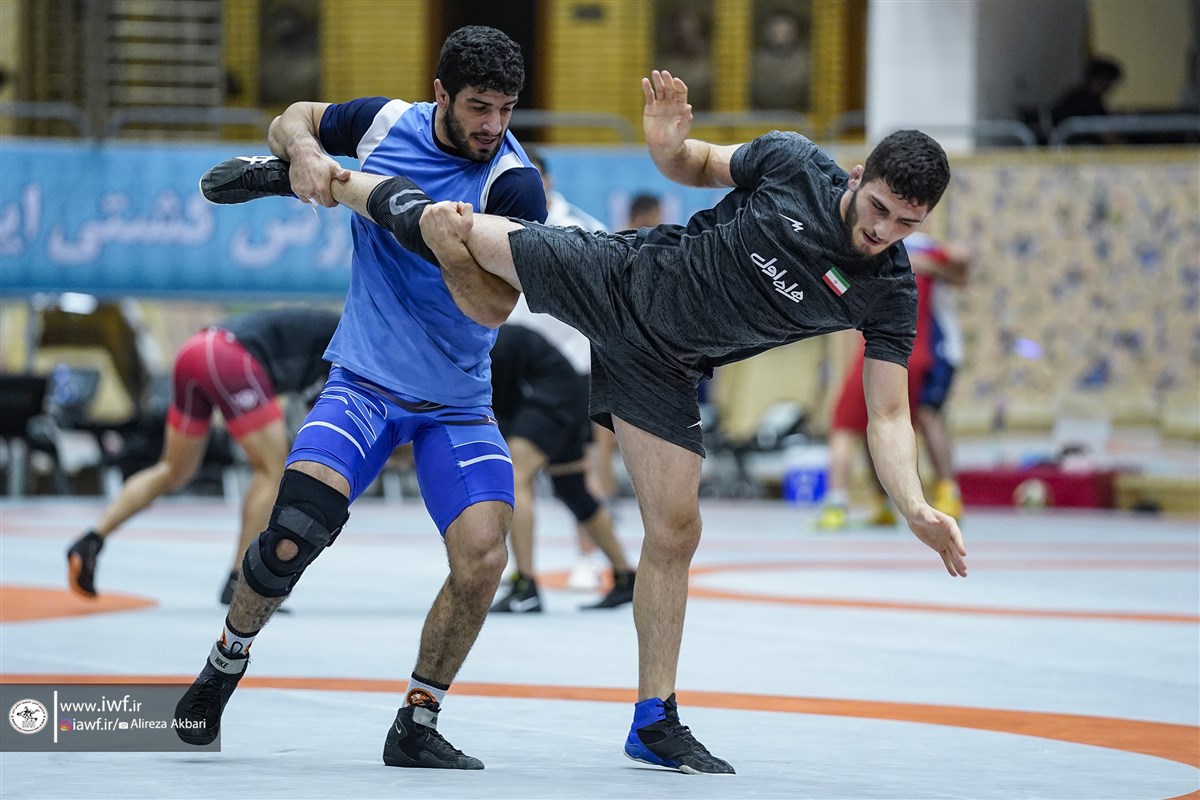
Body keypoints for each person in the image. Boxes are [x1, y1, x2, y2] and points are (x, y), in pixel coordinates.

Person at [197, 68, 969, 775]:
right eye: (879, 209)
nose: (884, 232)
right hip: (621, 279)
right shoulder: (796, 164)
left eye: (906, 224)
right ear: (857, 177)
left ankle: (654, 719)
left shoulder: (889, 289)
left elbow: (889, 412)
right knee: (455, 227)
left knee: (676, 532)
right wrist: (667, 144)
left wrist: (914, 504)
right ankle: (320, 180)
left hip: (667, 370)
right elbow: (695, 164)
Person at [172, 26, 546, 772]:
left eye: (506, 109)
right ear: (440, 95)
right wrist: (306, 155)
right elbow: (293, 118)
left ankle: (417, 720)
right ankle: (226, 660)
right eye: (479, 106)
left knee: (483, 561)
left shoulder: (514, 184)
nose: (493, 125)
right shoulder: (385, 123)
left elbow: (494, 307)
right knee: (291, 535)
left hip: (455, 404)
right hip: (365, 383)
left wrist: (445, 247)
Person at [65, 308, 339, 603]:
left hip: (196, 352)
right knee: (272, 471)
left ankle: (90, 540)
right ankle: (239, 580)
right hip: (229, 358)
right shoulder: (348, 346)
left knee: (174, 470)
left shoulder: (336, 339)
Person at [816, 234, 970, 530]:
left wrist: (928, 261)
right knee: (881, 423)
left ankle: (840, 503)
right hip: (901, 351)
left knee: (863, 424)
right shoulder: (875, 252)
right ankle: (891, 502)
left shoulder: (913, 248)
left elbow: (962, 259)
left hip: (902, 351)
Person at [487, 323, 635, 613]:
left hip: (553, 397)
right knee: (573, 489)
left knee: (514, 477)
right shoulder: (486, 339)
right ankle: (625, 576)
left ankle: (525, 586)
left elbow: (495, 407)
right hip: (568, 392)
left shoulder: (485, 345)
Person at [1050, 57, 1124, 145]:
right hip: (1078, 146)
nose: (1109, 87)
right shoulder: (1085, 101)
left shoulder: (1081, 97)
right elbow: (1106, 134)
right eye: (1108, 82)